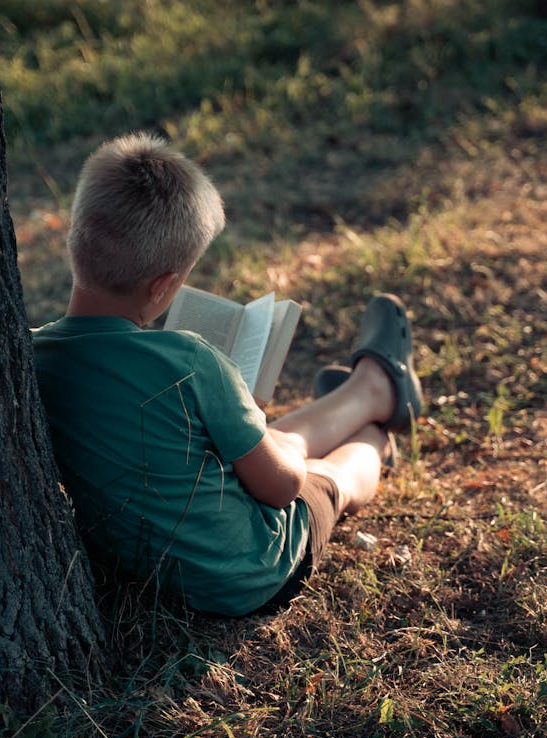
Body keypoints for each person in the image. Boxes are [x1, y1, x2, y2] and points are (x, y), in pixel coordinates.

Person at [32, 132, 423, 618]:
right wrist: (260, 431)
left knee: (273, 441)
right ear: (164, 285)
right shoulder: (189, 361)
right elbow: (281, 489)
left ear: (74, 241)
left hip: (142, 570)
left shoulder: (27, 357)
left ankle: (369, 390)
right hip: (247, 572)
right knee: (328, 476)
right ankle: (377, 428)